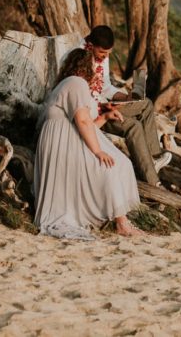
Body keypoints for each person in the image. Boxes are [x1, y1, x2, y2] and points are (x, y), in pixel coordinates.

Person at [33, 48, 142, 239]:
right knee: (108, 166)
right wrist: (98, 152)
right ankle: (121, 224)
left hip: (64, 141)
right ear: (85, 67)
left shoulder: (66, 84)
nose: (95, 70)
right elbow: (83, 122)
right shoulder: (76, 83)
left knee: (119, 162)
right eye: (93, 66)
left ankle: (116, 216)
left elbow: (87, 125)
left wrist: (106, 116)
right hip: (62, 145)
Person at [82, 25, 171, 186]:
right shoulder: (79, 56)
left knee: (146, 104)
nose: (105, 56)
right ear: (91, 44)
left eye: (108, 53)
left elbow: (106, 86)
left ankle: (154, 156)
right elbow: (79, 94)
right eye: (102, 53)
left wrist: (126, 97)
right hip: (92, 111)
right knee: (133, 126)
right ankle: (153, 181)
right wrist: (105, 107)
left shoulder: (102, 55)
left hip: (105, 103)